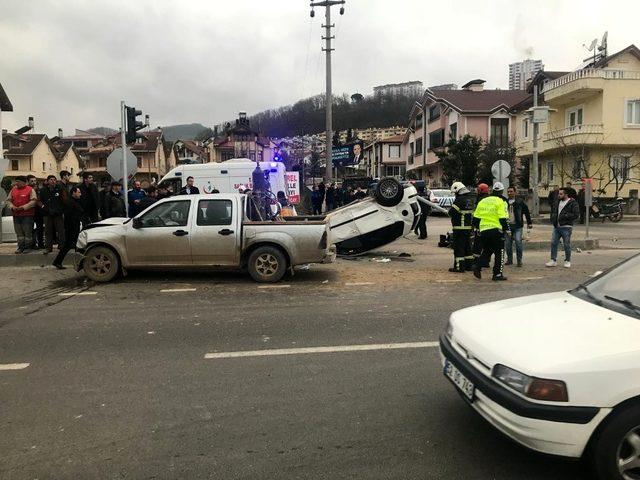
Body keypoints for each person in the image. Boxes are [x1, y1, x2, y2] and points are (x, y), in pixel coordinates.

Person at [472, 182, 510, 281]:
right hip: (496, 231)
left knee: (487, 250)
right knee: (499, 252)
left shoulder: (483, 201)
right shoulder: (500, 201)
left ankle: (477, 266)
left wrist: (477, 229)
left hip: (484, 230)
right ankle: (497, 274)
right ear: (502, 191)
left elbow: (475, 218)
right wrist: (507, 230)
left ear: (492, 190)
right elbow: (503, 218)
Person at [546, 187, 580, 268]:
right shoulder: (557, 202)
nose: (559, 195)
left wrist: (565, 216)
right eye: (559, 193)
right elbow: (554, 211)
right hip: (556, 226)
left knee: (566, 244)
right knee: (553, 243)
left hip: (566, 227)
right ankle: (553, 260)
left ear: (566, 194)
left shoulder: (572, 202)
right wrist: (553, 218)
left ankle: (567, 260)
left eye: (561, 194)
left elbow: (576, 215)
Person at [52, 186, 84, 270]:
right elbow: (70, 216)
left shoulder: (75, 201)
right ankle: (58, 261)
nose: (80, 194)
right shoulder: (70, 202)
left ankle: (59, 261)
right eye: (78, 192)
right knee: (68, 245)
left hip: (74, 226)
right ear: (73, 193)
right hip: (71, 227)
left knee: (73, 245)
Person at [448, 182, 476, 272]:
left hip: (459, 228)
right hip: (468, 228)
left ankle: (459, 267)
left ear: (457, 190)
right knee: (467, 248)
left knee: (459, 248)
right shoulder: (469, 200)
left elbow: (452, 212)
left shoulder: (459, 200)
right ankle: (469, 266)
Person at [6, 176, 37, 254]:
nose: (16, 183)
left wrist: (23, 207)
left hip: (27, 215)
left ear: (24, 182)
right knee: (19, 233)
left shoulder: (30, 189)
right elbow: (8, 201)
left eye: (18, 181)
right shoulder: (13, 189)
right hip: (16, 215)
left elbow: (33, 201)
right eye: (16, 181)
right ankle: (20, 247)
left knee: (27, 232)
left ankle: (28, 247)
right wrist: (12, 207)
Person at [505, 186, 532, 267]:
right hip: (508, 226)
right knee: (508, 244)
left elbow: (526, 212)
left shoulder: (520, 202)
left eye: (511, 191)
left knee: (518, 242)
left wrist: (529, 223)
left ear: (515, 192)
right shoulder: (504, 202)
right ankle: (509, 260)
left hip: (517, 226)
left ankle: (519, 260)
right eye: (508, 192)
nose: (509, 193)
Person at [39, 174, 66, 254]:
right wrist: (44, 207)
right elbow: (39, 201)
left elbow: (64, 200)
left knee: (61, 231)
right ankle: (48, 248)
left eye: (54, 180)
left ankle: (62, 247)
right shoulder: (43, 190)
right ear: (47, 181)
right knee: (48, 231)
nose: (53, 181)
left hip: (58, 214)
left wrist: (60, 210)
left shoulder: (60, 189)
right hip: (47, 214)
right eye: (51, 179)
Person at [472, 183, 490, 266]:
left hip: (481, 225)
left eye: (478, 190)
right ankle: (486, 262)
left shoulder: (480, 200)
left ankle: (477, 261)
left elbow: (477, 214)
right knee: (487, 245)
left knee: (478, 244)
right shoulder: (489, 199)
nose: (477, 191)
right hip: (489, 225)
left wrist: (474, 224)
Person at [27, 175, 45, 250]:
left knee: (40, 228)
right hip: (29, 212)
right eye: (32, 181)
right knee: (30, 229)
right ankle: (32, 244)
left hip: (39, 212)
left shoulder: (38, 189)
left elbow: (40, 199)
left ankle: (41, 244)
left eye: (35, 181)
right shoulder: (27, 190)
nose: (34, 182)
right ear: (28, 181)